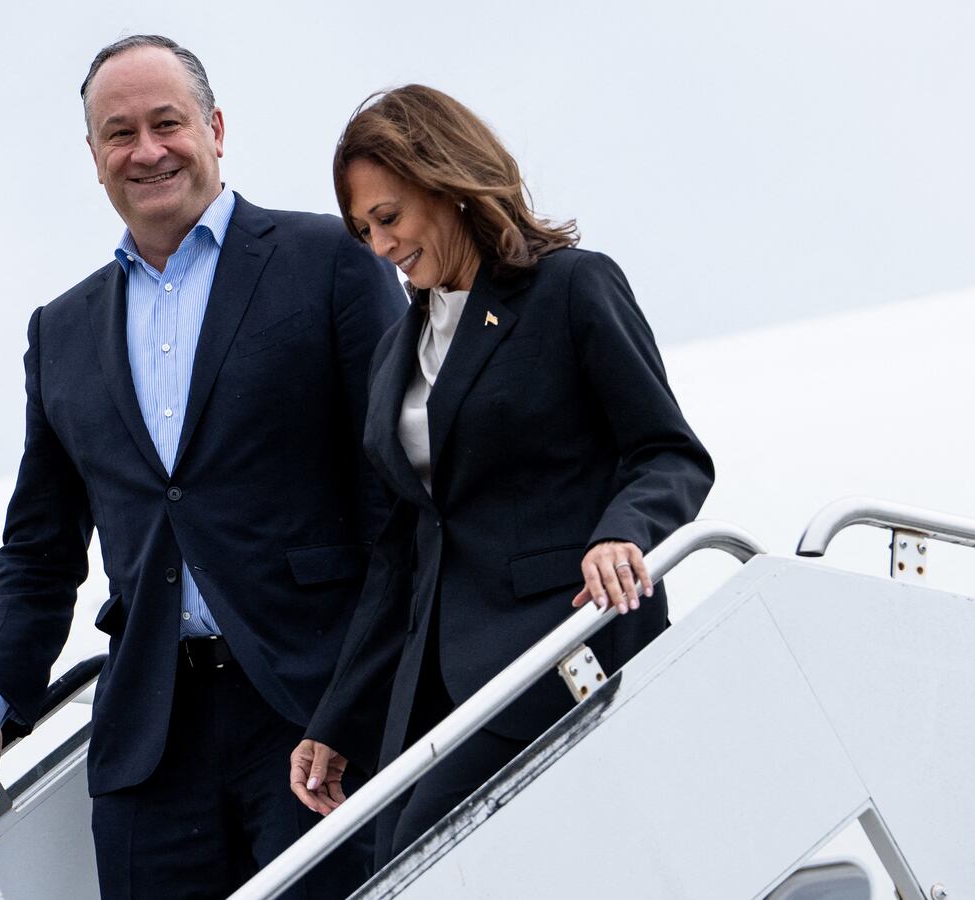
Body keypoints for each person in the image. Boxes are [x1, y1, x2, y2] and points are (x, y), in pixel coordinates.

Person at [0, 35, 407, 899]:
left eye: (167, 124)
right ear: (94, 157)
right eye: (118, 133)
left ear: (214, 128)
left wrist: (367, 692)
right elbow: (39, 554)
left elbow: (396, 497)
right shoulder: (59, 333)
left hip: (317, 710)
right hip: (150, 750)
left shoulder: (331, 261)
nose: (147, 150)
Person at [290, 85, 714, 862]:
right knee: (392, 858)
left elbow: (668, 453)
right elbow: (402, 551)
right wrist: (339, 720)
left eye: (390, 218)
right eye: (363, 230)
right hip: (439, 690)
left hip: (559, 651)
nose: (379, 246)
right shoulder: (398, 350)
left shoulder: (571, 288)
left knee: (418, 860)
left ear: (447, 183)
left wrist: (623, 534)